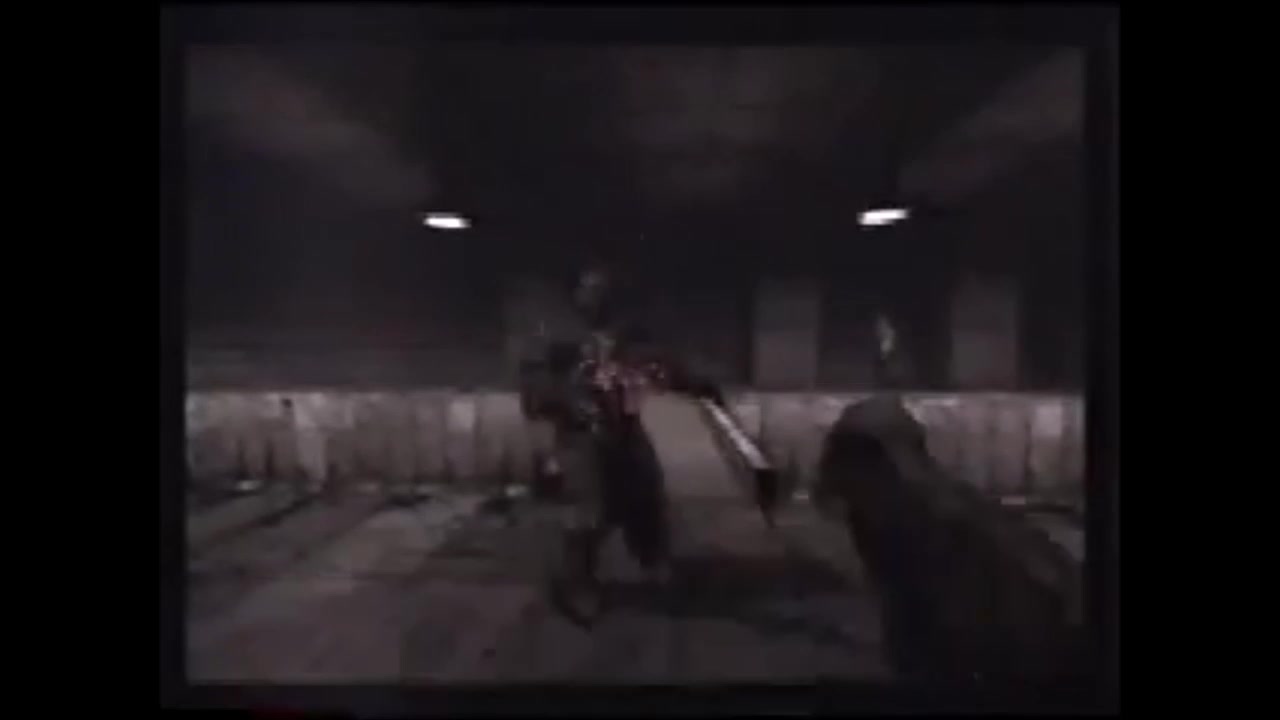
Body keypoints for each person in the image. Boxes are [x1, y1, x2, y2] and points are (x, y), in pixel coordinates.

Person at [519, 264, 723, 623]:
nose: (597, 295)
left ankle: (653, 561)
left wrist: (693, 383)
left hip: (625, 428)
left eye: (602, 287)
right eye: (589, 287)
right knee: (586, 510)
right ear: (575, 292)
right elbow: (534, 388)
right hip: (580, 433)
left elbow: (662, 365)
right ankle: (578, 584)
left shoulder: (626, 333)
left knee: (646, 491)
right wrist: (569, 400)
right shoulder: (554, 334)